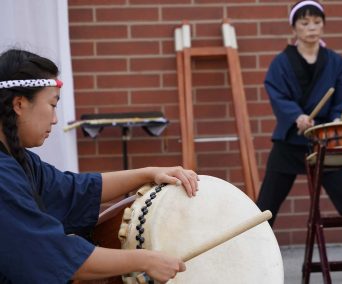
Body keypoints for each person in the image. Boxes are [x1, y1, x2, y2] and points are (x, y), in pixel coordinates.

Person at [0, 48, 199, 283]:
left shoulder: (19, 161)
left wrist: (150, 173)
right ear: (19, 104)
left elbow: (74, 189)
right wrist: (145, 260)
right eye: (53, 105)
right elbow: (53, 255)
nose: (54, 119)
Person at [256, 1, 342, 281]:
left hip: (324, 144)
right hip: (289, 143)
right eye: (305, 23)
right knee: (265, 210)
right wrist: (296, 115)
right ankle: (250, 266)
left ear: (323, 25)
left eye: (316, 22)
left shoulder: (336, 62)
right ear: (294, 27)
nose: (311, 28)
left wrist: (334, 121)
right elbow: (277, 94)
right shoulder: (281, 62)